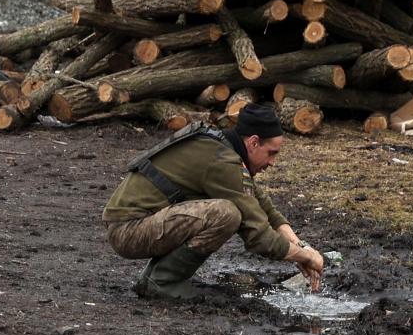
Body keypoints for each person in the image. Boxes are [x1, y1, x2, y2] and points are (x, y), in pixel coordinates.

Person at [102, 103, 324, 301]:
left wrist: (300, 246)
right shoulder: (222, 161)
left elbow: (262, 205)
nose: (273, 162)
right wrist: (306, 257)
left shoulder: (222, 147)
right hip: (128, 230)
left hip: (135, 223)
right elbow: (259, 237)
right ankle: (162, 283)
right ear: (254, 143)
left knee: (231, 210)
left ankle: (157, 278)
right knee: (226, 214)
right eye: (271, 153)